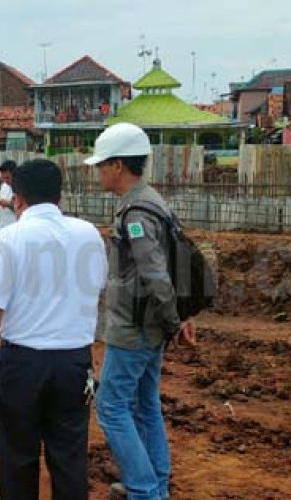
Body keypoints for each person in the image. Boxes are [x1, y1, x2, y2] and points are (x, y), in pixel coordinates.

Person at [0, 159, 106, 499]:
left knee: (17, 456)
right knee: (69, 457)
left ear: (17, 198)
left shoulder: (10, 238)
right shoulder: (89, 234)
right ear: (59, 196)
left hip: (23, 364)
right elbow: (97, 290)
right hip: (74, 361)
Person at [88, 123, 195, 500]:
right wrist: (175, 319)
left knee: (111, 406)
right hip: (151, 326)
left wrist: (173, 320)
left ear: (118, 165)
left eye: (101, 164)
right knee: (144, 404)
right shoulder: (153, 201)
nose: (98, 171)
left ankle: (146, 490)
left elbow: (154, 273)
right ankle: (156, 484)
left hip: (135, 328)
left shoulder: (135, 213)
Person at [0, 159, 17, 232]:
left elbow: (24, 209)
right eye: (3, 178)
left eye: (7, 178)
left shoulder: (22, 188)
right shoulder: (4, 186)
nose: (5, 181)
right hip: (1, 226)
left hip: (14, 227)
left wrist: (8, 204)